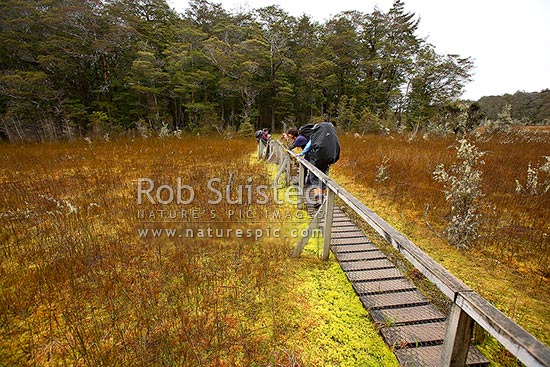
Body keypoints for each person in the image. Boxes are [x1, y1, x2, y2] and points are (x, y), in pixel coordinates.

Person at [299, 122, 340, 208]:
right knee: (323, 176)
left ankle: (318, 198)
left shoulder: (317, 134)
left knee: (314, 177)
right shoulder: (331, 135)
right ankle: (323, 197)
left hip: (317, 157)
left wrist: (301, 154)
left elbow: (309, 145)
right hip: (329, 158)